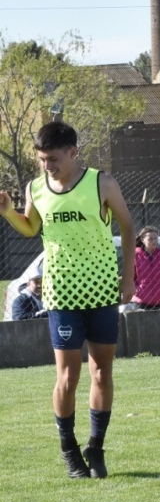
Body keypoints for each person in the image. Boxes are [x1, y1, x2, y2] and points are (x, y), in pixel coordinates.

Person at [0, 121, 135, 479]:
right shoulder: (36, 188)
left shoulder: (101, 182)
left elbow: (127, 226)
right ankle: (69, 449)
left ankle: (96, 446)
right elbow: (31, 228)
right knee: (67, 376)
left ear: (73, 152)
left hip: (103, 290)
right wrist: (8, 212)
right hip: (61, 294)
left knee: (102, 372)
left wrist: (129, 276)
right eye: (42, 159)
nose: (47, 166)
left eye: (53, 158)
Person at [132, 226, 160, 310]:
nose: (154, 241)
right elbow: (130, 277)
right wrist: (138, 292)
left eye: (155, 238)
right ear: (142, 240)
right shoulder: (135, 255)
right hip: (141, 302)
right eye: (150, 239)